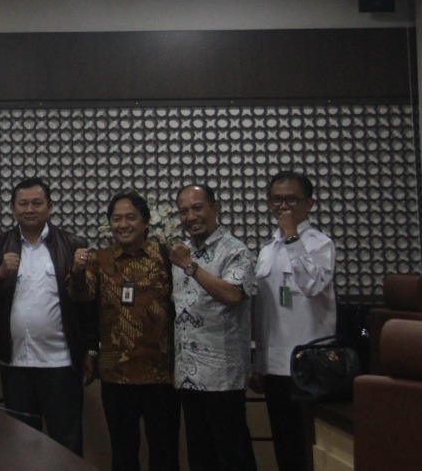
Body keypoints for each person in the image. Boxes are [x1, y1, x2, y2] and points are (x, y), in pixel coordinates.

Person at [0, 178, 97, 455]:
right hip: (16, 364)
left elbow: (88, 304)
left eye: (37, 203)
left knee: (66, 444)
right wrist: (0, 274)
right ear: (13, 209)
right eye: (23, 204)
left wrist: (92, 349)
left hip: (61, 363)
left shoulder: (72, 244)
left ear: (50, 207)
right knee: (21, 446)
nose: (29, 209)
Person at [71, 192, 179, 471]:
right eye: (116, 219)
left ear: (146, 221)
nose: (123, 224)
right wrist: (78, 271)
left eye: (130, 217)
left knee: (165, 451)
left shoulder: (166, 257)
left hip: (161, 373)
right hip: (116, 373)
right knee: (123, 452)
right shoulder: (99, 260)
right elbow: (82, 295)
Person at [250, 170, 336, 471]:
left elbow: (312, 285)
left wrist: (291, 237)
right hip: (275, 367)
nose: (283, 206)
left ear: (309, 203)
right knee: (284, 448)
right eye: (277, 200)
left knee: (309, 449)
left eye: (291, 200)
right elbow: (264, 312)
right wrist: (259, 362)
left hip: (310, 366)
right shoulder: (266, 250)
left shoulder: (321, 244)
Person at [169, 185, 257, 471]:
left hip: (223, 376)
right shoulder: (182, 253)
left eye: (197, 208)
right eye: (184, 211)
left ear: (215, 209)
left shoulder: (235, 251)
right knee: (200, 456)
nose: (190, 217)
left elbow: (232, 295)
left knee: (233, 456)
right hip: (188, 374)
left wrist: (191, 267)